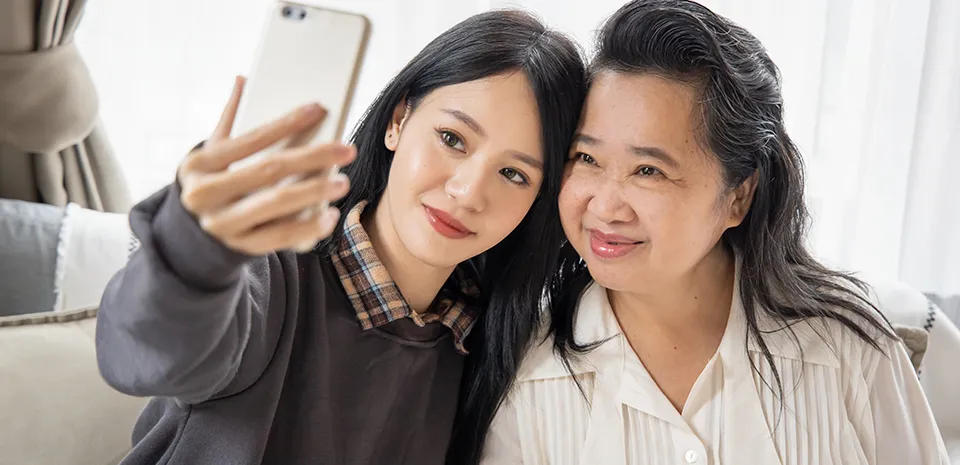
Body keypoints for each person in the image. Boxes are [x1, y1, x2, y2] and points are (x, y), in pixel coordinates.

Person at [95, 10, 586, 465]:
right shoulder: (269, 279)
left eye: (514, 174)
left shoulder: (487, 349)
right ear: (398, 121)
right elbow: (141, 357)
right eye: (452, 139)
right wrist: (195, 248)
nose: (468, 192)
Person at [481, 1, 951, 464]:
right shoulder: (526, 374)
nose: (604, 206)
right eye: (587, 159)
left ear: (738, 196)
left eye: (649, 170)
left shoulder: (851, 351)